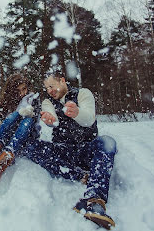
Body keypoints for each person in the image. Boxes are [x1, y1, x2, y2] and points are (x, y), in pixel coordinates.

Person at [24, 70, 117, 230]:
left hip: (87, 149)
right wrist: (50, 120)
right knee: (30, 146)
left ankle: (94, 200)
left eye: (52, 86)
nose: (50, 91)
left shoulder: (83, 93)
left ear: (62, 80)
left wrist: (77, 113)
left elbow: (89, 118)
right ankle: (80, 176)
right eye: (46, 88)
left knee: (108, 142)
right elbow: (51, 115)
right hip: (63, 151)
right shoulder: (48, 102)